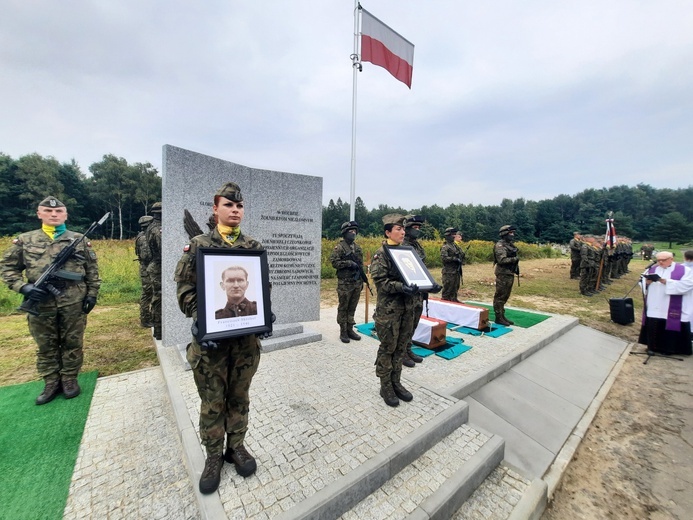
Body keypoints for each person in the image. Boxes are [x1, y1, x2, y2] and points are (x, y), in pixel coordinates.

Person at [175, 182, 264, 494]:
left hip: (245, 345)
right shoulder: (198, 245)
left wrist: (265, 316)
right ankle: (213, 455)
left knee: (240, 397)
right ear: (216, 209)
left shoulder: (253, 246)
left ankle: (235, 447)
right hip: (211, 345)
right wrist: (202, 321)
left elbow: (261, 290)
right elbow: (185, 292)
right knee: (213, 401)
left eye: (239, 206)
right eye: (228, 205)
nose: (235, 210)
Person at [0, 196, 101, 405]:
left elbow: (91, 270)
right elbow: (7, 267)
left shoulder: (79, 239)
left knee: (73, 342)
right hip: (41, 301)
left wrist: (92, 294)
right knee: (46, 344)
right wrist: (23, 287)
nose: (53, 214)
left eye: (58, 211)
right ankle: (51, 382)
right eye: (47, 211)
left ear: (65, 214)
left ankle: (70, 379)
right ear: (39, 214)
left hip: (73, 300)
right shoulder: (25, 240)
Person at [370, 214, 418, 407]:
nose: (403, 232)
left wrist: (428, 285)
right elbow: (381, 282)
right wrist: (401, 287)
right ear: (388, 232)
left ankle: (396, 381)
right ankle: (385, 385)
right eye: (398, 229)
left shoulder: (408, 251)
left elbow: (416, 274)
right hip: (389, 311)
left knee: (401, 347)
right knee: (388, 347)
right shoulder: (381, 254)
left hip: (407, 308)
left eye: (404, 229)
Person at [638, 251, 693, 356]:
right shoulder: (651, 269)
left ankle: (670, 349)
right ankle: (653, 347)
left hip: (672, 304)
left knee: (671, 324)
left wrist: (666, 281)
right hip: (655, 302)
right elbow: (641, 282)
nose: (660, 262)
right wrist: (646, 283)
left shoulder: (685, 270)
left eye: (663, 260)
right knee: (654, 323)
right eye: (658, 260)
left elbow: (688, 284)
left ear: (671, 259)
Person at [329, 221, 364, 343]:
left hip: (356, 282)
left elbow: (360, 265)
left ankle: (350, 329)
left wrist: (362, 280)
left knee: (352, 307)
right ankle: (343, 331)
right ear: (345, 233)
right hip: (345, 283)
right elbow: (334, 263)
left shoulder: (358, 248)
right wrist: (348, 263)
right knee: (343, 307)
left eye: (354, 231)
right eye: (350, 231)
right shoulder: (339, 247)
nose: (353, 233)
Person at [402, 215, 426, 367]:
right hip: (408, 290)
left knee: (415, 321)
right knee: (406, 322)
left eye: (418, 228)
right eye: (414, 228)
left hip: (419, 289)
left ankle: (408, 348)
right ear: (407, 229)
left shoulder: (417, 246)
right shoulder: (402, 245)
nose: (417, 230)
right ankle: (402, 352)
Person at [493, 225, 519, 326]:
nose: (512, 235)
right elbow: (501, 260)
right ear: (505, 234)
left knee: (505, 296)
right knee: (500, 296)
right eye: (510, 233)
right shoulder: (500, 245)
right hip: (503, 273)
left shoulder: (509, 244)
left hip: (509, 273)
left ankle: (502, 316)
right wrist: (514, 259)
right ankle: (498, 317)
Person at [146, 202, 162, 340]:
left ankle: (158, 329)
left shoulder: (152, 226)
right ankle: (159, 330)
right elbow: (163, 251)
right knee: (159, 299)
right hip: (158, 268)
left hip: (155, 266)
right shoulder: (158, 229)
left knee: (157, 297)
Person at [135, 215, 154, 328]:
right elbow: (147, 256)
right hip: (147, 269)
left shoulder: (140, 236)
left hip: (146, 268)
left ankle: (147, 317)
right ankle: (145, 319)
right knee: (147, 294)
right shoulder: (145, 237)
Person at [440, 227, 464, 302]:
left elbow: (461, 253)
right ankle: (446, 302)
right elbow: (444, 258)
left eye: (455, 234)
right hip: (448, 271)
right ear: (448, 235)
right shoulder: (445, 247)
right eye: (452, 234)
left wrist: (461, 256)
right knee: (448, 288)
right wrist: (454, 259)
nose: (454, 236)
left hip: (456, 271)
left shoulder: (455, 245)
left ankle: (454, 299)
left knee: (455, 287)